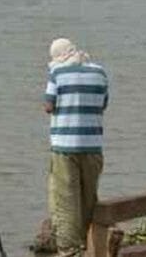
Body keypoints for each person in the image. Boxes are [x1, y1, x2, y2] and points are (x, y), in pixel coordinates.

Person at [43, 38, 109, 256]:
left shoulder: (57, 74)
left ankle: (70, 251)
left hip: (64, 148)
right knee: (88, 198)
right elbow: (103, 104)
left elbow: (48, 106)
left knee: (66, 201)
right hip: (93, 147)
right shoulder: (100, 72)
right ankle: (87, 245)